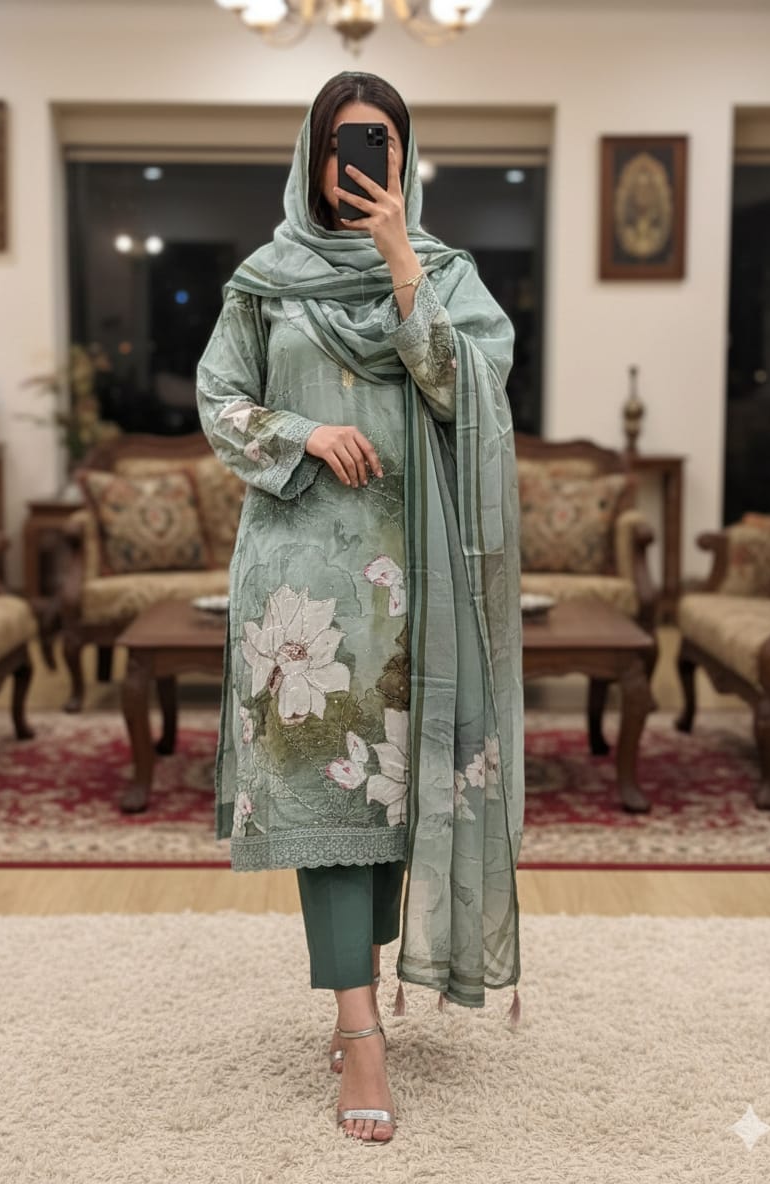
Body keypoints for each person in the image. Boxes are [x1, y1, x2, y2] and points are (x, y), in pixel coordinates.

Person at [196, 71, 525, 1146]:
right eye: (344, 141)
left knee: (392, 796)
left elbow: (471, 389)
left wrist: (398, 261)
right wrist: (302, 433)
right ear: (312, 152)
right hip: (300, 591)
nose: (360, 160)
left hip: (415, 573)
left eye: (379, 140)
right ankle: (359, 1025)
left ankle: (363, 991)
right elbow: (220, 400)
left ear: (405, 154)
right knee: (324, 805)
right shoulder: (264, 282)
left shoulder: (445, 273)